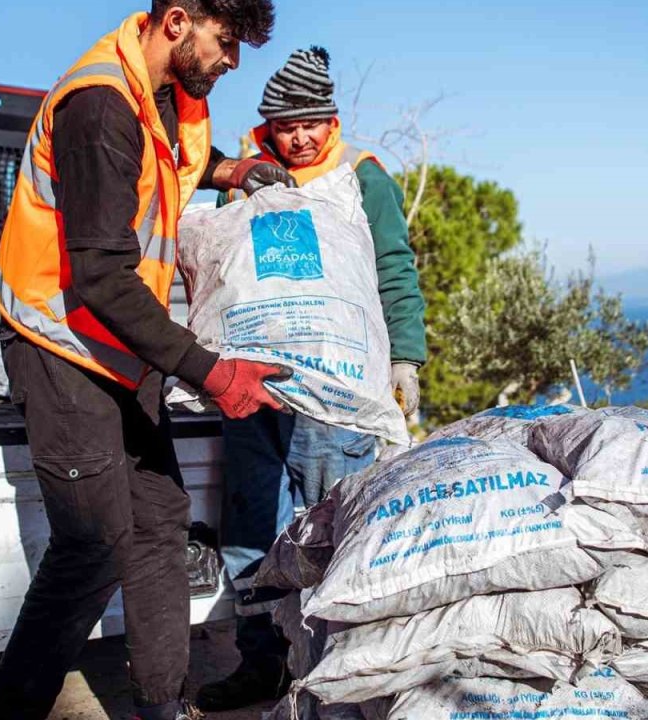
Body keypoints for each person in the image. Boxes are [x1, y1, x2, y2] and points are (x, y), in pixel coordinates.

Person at [0, 3, 296, 719]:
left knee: (161, 521)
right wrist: (211, 371)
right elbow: (98, 277)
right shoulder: (98, 106)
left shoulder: (170, 98)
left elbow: (181, 168)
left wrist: (236, 170)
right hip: (60, 341)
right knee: (90, 546)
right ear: (180, 22)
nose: (233, 61)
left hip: (123, 344)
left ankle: (161, 706)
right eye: (228, 42)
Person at [196, 46, 428, 712]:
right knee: (250, 532)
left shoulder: (363, 178)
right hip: (254, 386)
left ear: (333, 122)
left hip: (334, 397)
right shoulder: (244, 174)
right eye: (285, 125)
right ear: (268, 125)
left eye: (311, 124)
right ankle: (261, 663)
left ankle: (339, 678)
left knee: (335, 533)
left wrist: (403, 356)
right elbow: (218, 267)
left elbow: (393, 268)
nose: (298, 138)